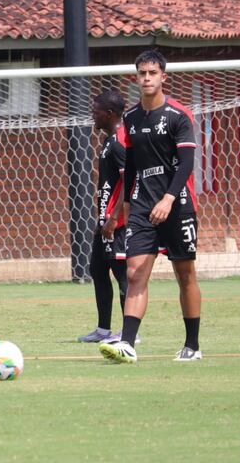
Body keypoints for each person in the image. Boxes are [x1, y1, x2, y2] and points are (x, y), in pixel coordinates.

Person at [99, 49, 202, 363]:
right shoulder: (129, 118)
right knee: (134, 274)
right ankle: (127, 344)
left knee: (184, 274)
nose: (147, 78)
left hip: (178, 203)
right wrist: (128, 204)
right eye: (142, 73)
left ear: (163, 77)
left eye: (152, 73)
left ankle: (192, 346)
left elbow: (186, 163)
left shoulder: (178, 115)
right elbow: (130, 165)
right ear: (137, 77)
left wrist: (169, 198)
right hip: (143, 206)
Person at [77, 89, 130, 343]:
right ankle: (103, 329)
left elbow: (129, 181)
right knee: (97, 269)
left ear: (109, 114)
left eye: (95, 111)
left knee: (122, 275)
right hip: (106, 220)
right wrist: (102, 218)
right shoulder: (109, 141)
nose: (92, 116)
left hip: (118, 223)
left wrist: (114, 219)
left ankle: (130, 333)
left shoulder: (120, 141)